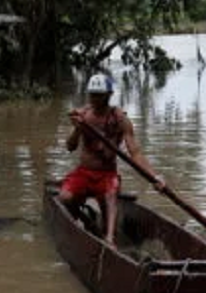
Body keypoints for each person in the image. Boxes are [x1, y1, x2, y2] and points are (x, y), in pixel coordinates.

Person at [59, 73, 165, 245]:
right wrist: (77, 129)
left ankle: (109, 240)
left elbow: (135, 153)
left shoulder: (120, 119)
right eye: (92, 94)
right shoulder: (83, 115)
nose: (94, 99)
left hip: (107, 175)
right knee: (64, 198)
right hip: (84, 173)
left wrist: (154, 177)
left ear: (109, 95)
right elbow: (70, 147)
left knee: (110, 196)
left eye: (99, 95)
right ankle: (84, 221)